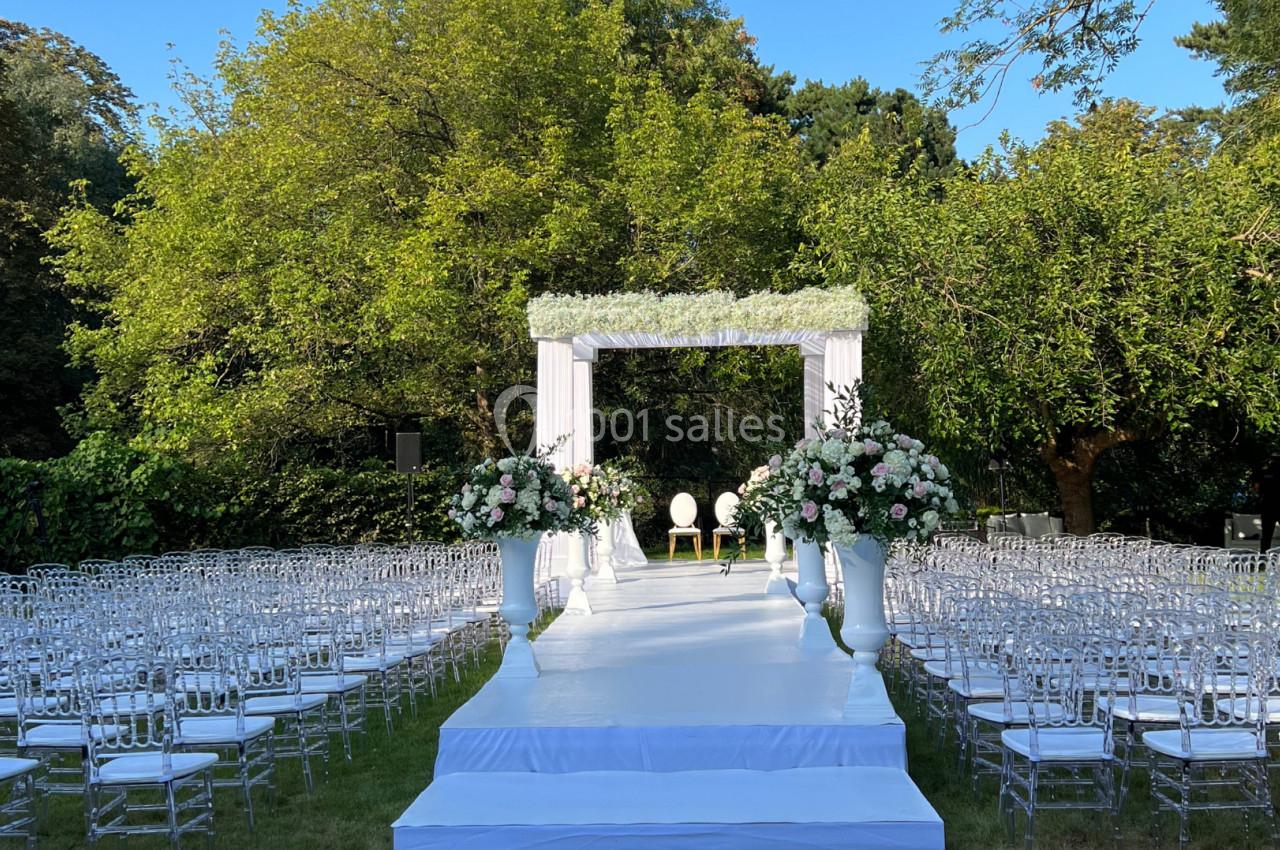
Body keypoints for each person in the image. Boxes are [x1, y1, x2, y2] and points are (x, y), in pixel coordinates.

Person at [1257, 456, 1280, 553]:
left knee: (1266, 535)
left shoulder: (1264, 472)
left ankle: (1263, 557)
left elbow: (1257, 488)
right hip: (1272, 505)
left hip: (1267, 506)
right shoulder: (1264, 472)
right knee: (1266, 534)